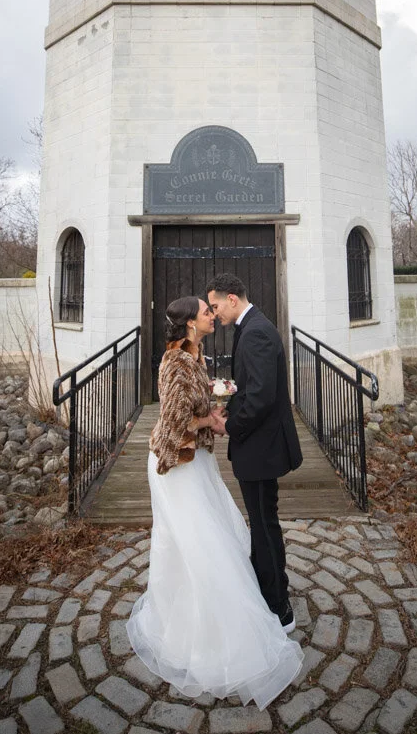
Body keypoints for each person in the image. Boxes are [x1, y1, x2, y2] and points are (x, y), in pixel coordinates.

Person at [126, 295, 303, 710]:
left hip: (198, 463)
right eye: (206, 312)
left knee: (211, 534)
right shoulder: (176, 363)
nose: (212, 314)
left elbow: (192, 400)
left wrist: (214, 396)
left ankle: (220, 608)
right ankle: (204, 628)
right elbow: (173, 422)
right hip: (177, 467)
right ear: (191, 323)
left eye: (212, 308)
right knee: (200, 543)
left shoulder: (196, 356)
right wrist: (210, 419)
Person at [206, 273, 303, 632]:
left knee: (263, 524)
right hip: (260, 446)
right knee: (263, 522)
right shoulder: (252, 327)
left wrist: (229, 426)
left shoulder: (256, 332)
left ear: (232, 299)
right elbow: (251, 389)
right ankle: (269, 590)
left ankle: (278, 607)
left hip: (262, 449)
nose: (214, 313)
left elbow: (261, 397)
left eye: (215, 306)